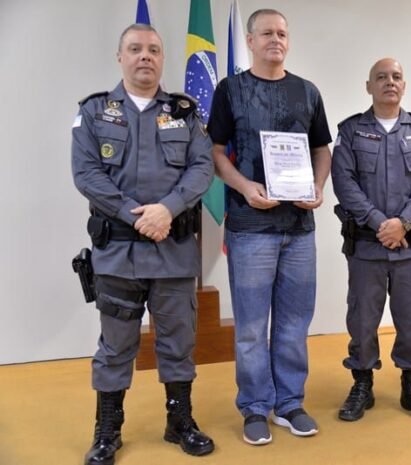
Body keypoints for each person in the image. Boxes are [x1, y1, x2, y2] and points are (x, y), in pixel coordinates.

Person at [72, 24, 215, 465]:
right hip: (117, 254)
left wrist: (168, 209)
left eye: (153, 50)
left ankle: (179, 422)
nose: (145, 57)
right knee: (116, 347)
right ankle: (108, 431)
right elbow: (86, 173)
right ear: (120, 57)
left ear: (162, 58)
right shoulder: (95, 113)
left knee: (178, 343)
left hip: (172, 253)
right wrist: (139, 214)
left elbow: (201, 167)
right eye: (135, 49)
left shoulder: (184, 113)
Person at [206, 9, 332, 445]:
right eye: (266, 33)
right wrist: (244, 185)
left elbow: (322, 149)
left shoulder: (307, 92)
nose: (275, 39)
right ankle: (255, 406)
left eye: (282, 33)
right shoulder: (231, 90)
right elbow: (216, 151)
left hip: (299, 227)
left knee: (295, 323)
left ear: (288, 41)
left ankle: (290, 403)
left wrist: (316, 188)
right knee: (251, 326)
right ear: (251, 40)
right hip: (249, 227)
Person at [332, 58, 411, 423]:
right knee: (362, 318)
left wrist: (404, 222)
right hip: (366, 246)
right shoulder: (350, 132)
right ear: (369, 86)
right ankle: (362, 384)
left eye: (396, 77)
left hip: (410, 247)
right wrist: (382, 224)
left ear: (404, 85)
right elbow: (345, 184)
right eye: (381, 77)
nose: (389, 82)